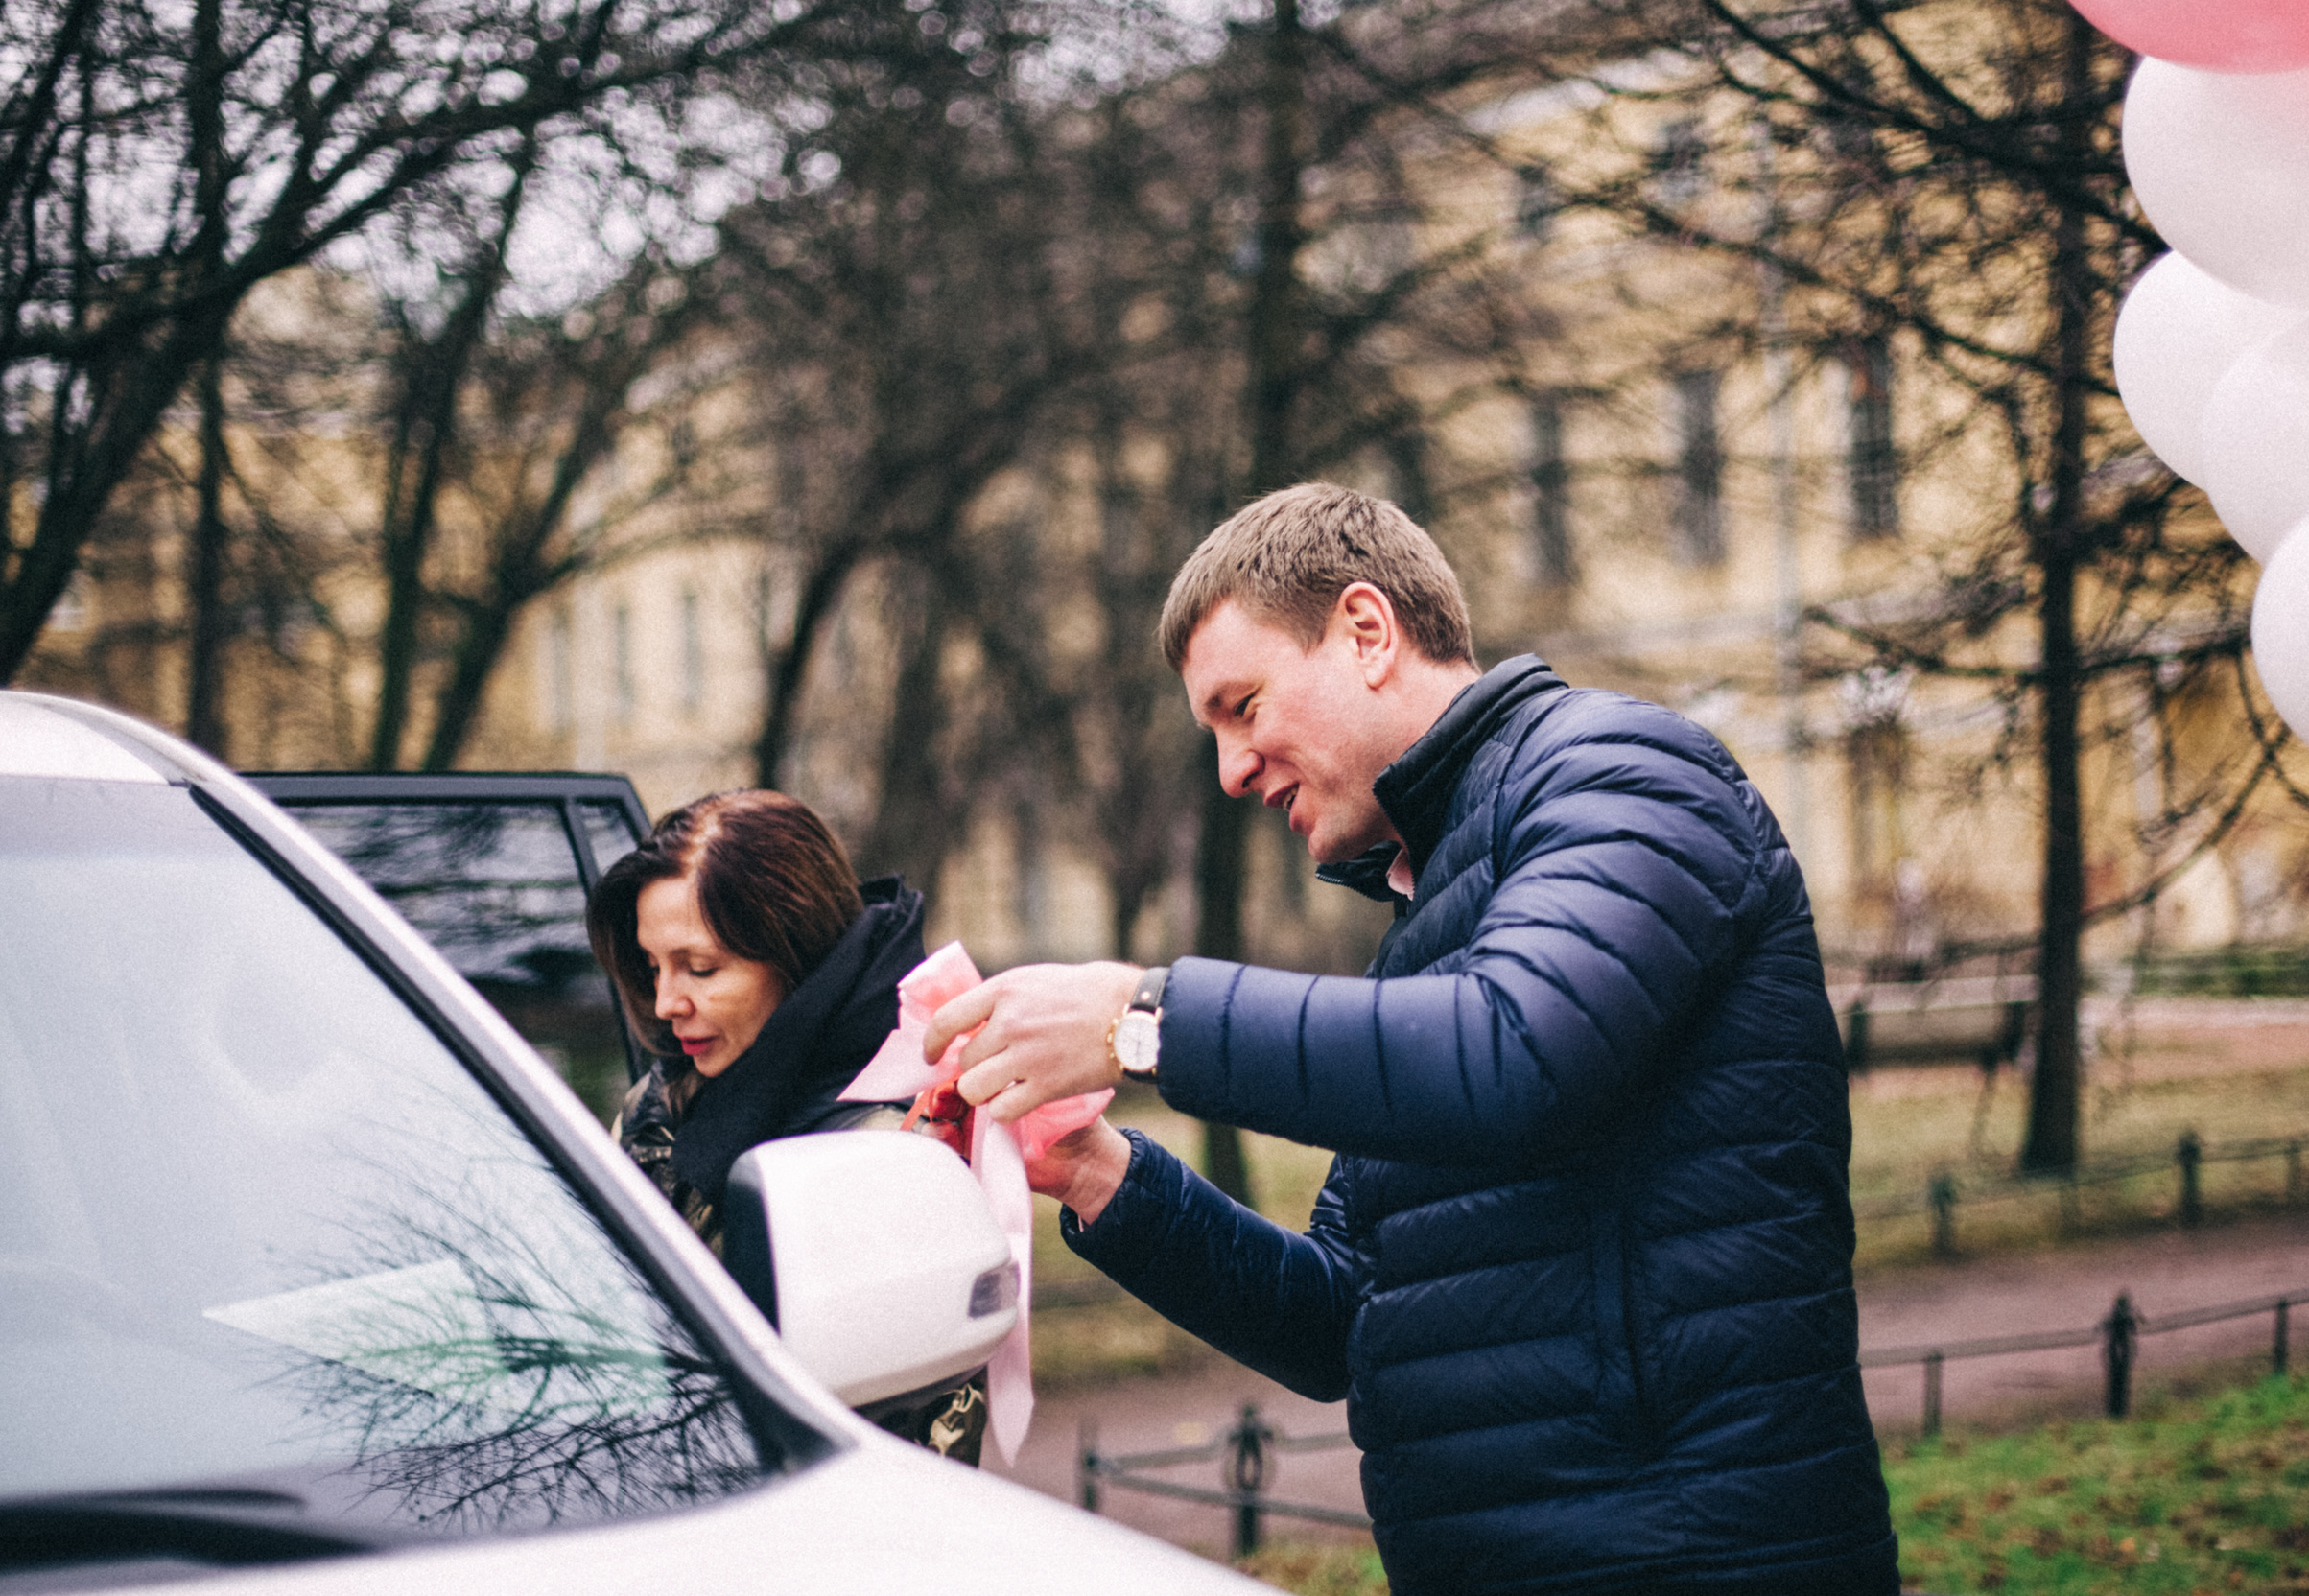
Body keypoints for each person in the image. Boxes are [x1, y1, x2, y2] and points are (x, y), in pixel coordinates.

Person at [923, 483, 1900, 1594]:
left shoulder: (1623, 773)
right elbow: (1341, 1322)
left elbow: (1513, 1053)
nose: (1231, 771)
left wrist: (1140, 1020)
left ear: (1366, 632)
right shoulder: (1434, 913)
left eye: (1242, 707)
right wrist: (1099, 1174)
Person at [584, 788, 986, 1465]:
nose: (664, 1002)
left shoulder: (891, 1147)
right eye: (652, 967)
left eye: (700, 968)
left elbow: (913, 1441)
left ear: (794, 956)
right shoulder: (661, 1103)